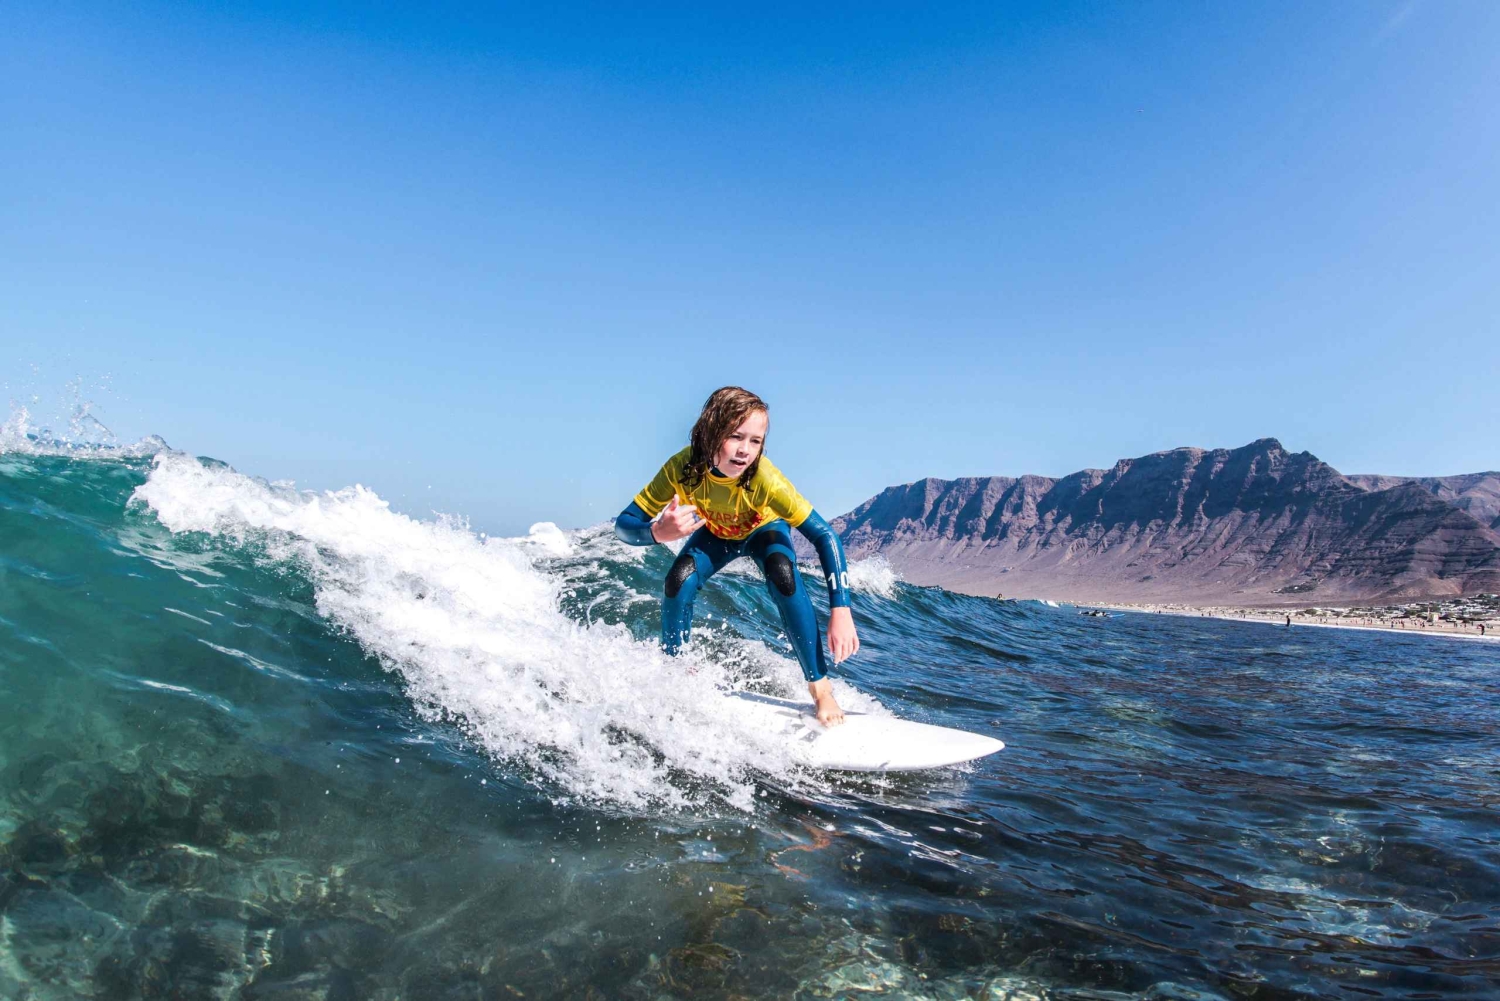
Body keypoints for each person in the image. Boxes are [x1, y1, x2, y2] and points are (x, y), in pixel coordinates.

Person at [614, 387, 858, 726]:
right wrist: (657, 532)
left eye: (756, 441)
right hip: (717, 533)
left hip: (764, 531)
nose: (745, 450)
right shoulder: (681, 468)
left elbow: (824, 536)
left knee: (783, 574)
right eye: (735, 436)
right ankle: (674, 675)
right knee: (678, 579)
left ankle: (821, 689)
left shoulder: (764, 478)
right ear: (710, 431)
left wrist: (841, 609)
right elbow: (624, 526)